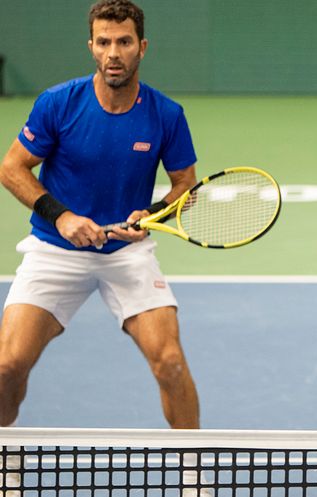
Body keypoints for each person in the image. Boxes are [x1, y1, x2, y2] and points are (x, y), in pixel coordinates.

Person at [0, 0, 201, 432]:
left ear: (141, 47)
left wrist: (148, 215)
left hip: (127, 254)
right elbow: (11, 168)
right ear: (91, 45)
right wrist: (62, 217)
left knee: (171, 363)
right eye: (104, 42)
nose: (114, 53)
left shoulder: (166, 115)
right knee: (6, 366)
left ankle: (194, 477)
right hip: (55, 251)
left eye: (124, 42)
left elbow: (187, 184)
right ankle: (5, 463)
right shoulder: (58, 104)